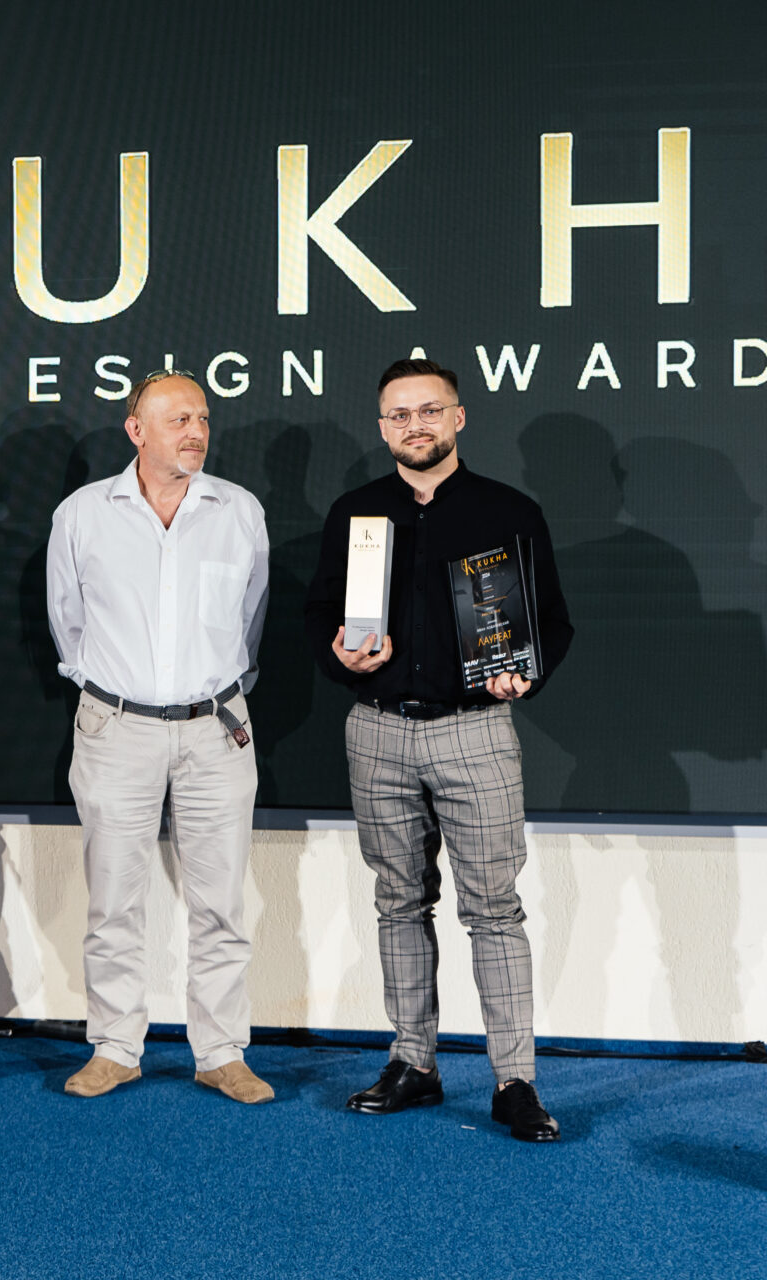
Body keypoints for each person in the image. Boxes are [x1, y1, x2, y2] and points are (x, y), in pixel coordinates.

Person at [304, 357, 574, 1142]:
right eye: (399, 414)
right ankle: (413, 1063)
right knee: (398, 900)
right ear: (382, 426)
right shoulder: (355, 512)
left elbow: (552, 622)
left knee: (493, 909)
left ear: (457, 417)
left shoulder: (509, 511)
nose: (414, 425)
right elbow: (320, 611)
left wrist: (527, 671)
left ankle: (514, 1080)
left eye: (429, 410)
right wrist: (340, 657)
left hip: (475, 731)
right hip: (377, 728)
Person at [46, 370, 274, 1105]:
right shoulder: (83, 515)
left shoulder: (239, 511)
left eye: (202, 418)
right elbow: (67, 623)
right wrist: (114, 692)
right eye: (178, 419)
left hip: (218, 730)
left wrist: (214, 692)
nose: (196, 432)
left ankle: (221, 1052)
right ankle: (115, 1048)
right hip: (116, 726)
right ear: (136, 431)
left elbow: (250, 618)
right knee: (114, 900)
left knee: (221, 903)